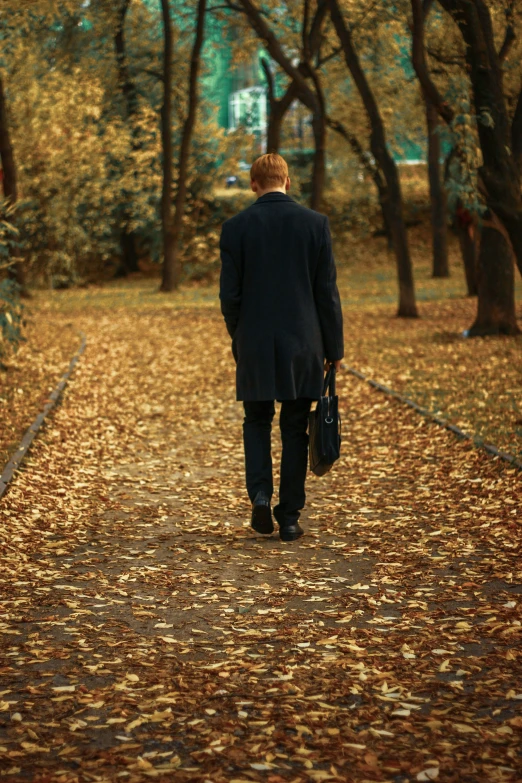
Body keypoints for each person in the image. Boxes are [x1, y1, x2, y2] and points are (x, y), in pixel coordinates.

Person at [219, 153, 344, 542]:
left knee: (256, 421)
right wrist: (334, 346)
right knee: (294, 426)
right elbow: (326, 292)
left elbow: (229, 296)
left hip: (254, 340)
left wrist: (238, 336)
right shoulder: (315, 225)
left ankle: (259, 494)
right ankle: (289, 516)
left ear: (254, 184)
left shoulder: (235, 228)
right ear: (288, 182)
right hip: (303, 342)